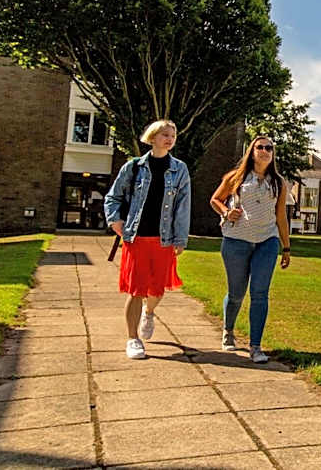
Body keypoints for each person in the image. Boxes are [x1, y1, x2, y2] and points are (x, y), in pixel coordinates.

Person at [104, 120, 190, 360]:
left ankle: (149, 313)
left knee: (157, 289)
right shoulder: (133, 167)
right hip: (136, 237)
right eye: (165, 134)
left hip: (164, 240)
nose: (170, 138)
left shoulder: (180, 169)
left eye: (173, 135)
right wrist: (115, 221)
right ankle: (133, 339)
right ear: (153, 137)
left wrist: (180, 238)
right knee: (136, 289)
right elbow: (113, 197)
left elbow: (183, 206)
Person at [209, 136, 291, 364]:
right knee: (236, 293)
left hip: (267, 241)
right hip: (236, 241)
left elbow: (281, 216)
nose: (265, 151)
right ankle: (228, 330)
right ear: (252, 151)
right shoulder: (236, 177)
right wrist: (225, 212)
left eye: (269, 148)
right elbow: (215, 200)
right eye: (260, 147)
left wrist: (286, 247)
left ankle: (255, 346)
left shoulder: (279, 182)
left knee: (260, 293)